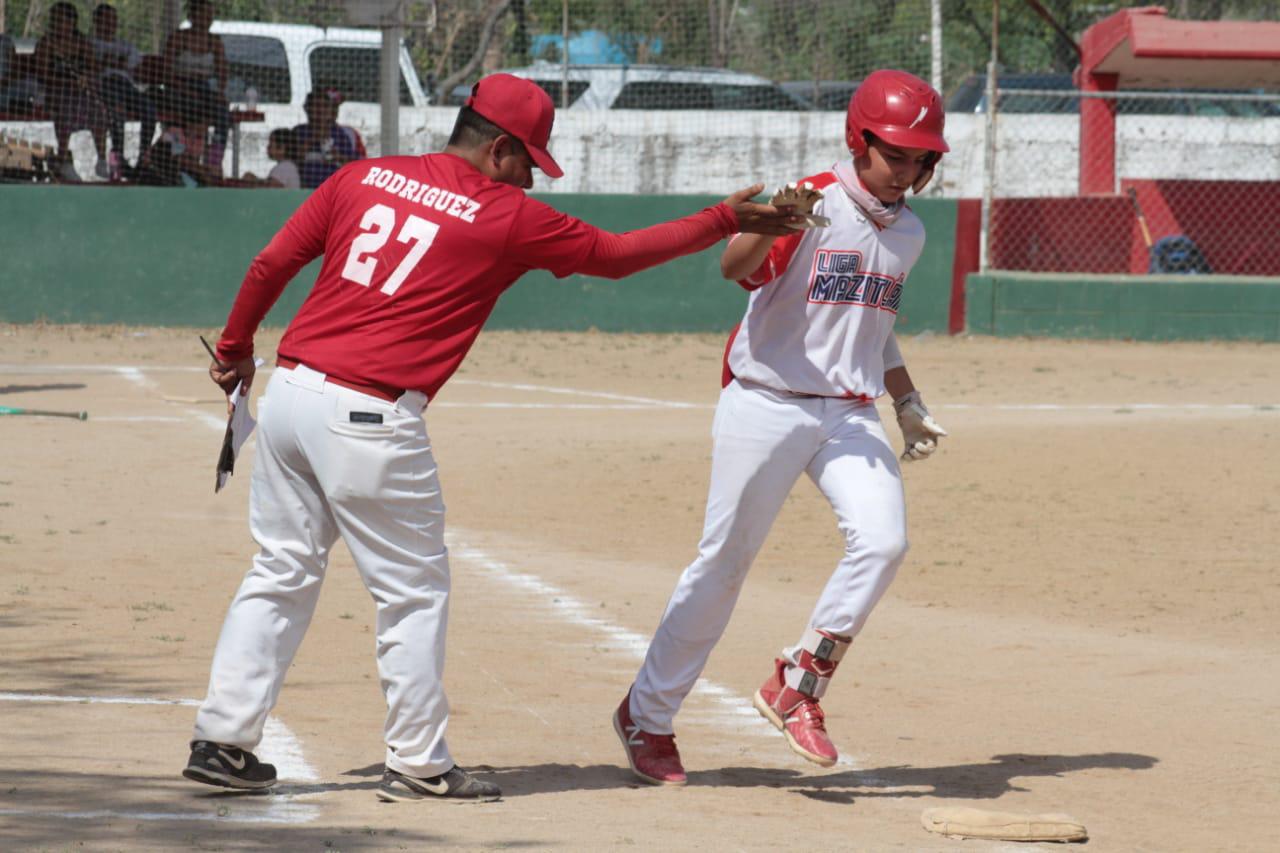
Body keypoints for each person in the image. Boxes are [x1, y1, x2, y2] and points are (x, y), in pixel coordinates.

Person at [184, 73, 800, 803]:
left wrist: (234, 348)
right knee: (412, 593)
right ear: (499, 148)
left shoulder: (361, 176)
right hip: (371, 415)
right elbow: (618, 254)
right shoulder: (504, 214)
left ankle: (222, 739)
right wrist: (722, 218)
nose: (530, 178)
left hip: (289, 395)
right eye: (528, 162)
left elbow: (271, 263)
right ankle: (419, 761)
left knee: (280, 570)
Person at [612, 69, 952, 786]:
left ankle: (798, 683)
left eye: (921, 158)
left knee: (883, 541)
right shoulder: (810, 198)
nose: (907, 170)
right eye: (895, 153)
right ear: (859, 140)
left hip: (849, 410)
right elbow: (734, 272)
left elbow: (871, 324)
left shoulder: (910, 231)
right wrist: (767, 223)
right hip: (766, 401)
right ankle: (647, 714)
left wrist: (906, 398)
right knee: (723, 564)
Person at [34, 2, 108, 181]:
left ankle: (102, 160)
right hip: (55, 91)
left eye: (63, 20)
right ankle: (63, 159)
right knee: (66, 110)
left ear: (72, 22)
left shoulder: (82, 42)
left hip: (80, 92)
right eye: (56, 20)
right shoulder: (46, 43)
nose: (59, 24)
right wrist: (67, 82)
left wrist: (85, 77)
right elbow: (42, 74)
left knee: (98, 111)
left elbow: (94, 67)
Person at [162, 0, 229, 173]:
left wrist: (220, 92)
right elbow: (165, 71)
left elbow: (222, 73)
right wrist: (182, 87)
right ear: (192, 16)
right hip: (178, 87)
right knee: (185, 110)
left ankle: (214, 160)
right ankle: (179, 156)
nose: (207, 19)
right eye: (203, 14)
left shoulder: (215, 41)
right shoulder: (178, 37)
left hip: (204, 88)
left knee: (222, 113)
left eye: (210, 15)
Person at [91, 3, 158, 177]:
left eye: (113, 20)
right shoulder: (89, 44)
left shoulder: (126, 46)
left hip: (126, 87)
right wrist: (112, 63)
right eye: (106, 20)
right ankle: (117, 159)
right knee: (116, 112)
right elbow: (92, 67)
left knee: (149, 109)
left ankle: (144, 157)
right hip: (103, 87)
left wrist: (116, 63)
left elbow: (136, 71)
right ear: (96, 21)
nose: (111, 24)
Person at [294, 89, 364, 188]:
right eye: (316, 106)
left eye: (325, 106)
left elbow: (357, 166)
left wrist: (338, 156)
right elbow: (290, 161)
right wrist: (313, 140)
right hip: (304, 188)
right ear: (307, 108)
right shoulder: (299, 132)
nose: (320, 110)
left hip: (334, 189)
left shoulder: (341, 134)